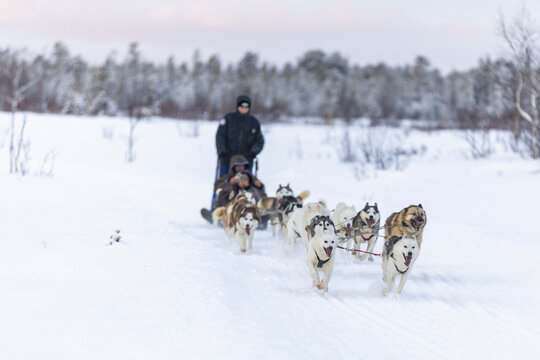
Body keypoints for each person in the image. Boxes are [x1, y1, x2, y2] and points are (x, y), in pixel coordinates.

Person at [215, 95, 264, 176]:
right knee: (223, 183)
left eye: (246, 107)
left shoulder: (254, 122)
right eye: (241, 107)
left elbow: (260, 140)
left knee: (245, 184)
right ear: (237, 106)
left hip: (246, 161)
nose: (244, 109)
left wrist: (254, 151)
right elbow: (220, 136)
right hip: (227, 159)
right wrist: (221, 150)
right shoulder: (228, 119)